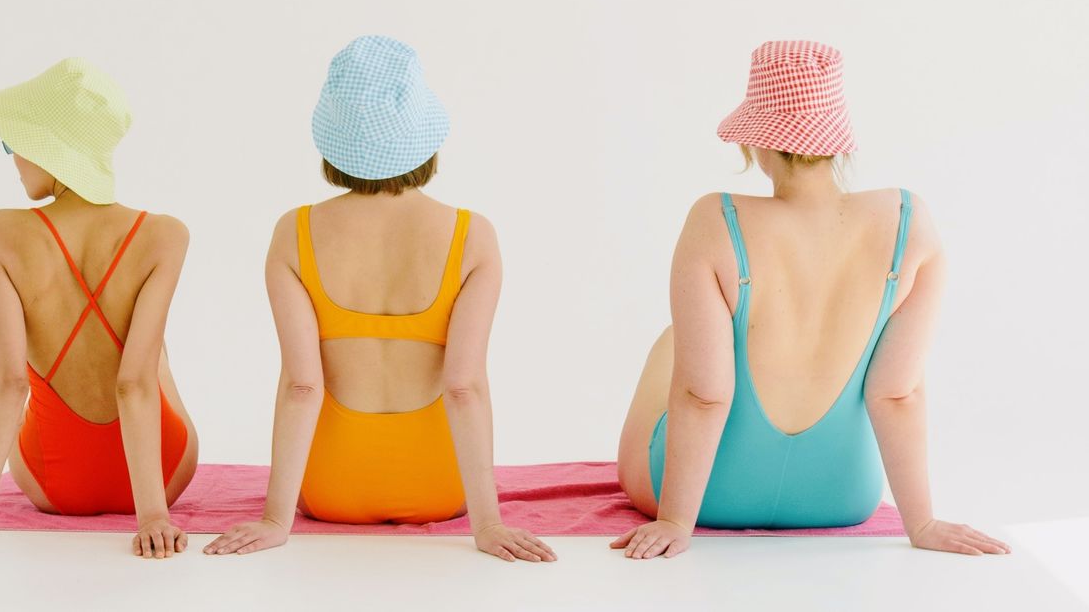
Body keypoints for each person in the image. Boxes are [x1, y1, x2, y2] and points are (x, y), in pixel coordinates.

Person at [613, 41, 1009, 559]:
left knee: (673, 342)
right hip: (841, 496)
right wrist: (923, 523)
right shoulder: (909, 222)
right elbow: (897, 393)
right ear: (837, 142)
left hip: (711, 495)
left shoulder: (715, 220)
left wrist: (675, 521)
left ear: (756, 142)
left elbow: (703, 394)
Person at [204, 36, 555, 562]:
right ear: (425, 138)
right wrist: (488, 524)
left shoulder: (294, 232)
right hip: (441, 487)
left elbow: (302, 386)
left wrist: (275, 519)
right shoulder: (472, 235)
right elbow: (463, 387)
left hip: (331, 490)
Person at [0, 58, 198, 558]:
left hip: (52, 485)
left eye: (14, 144)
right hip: (162, 474)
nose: (12, 158)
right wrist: (153, 517)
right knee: (151, 352)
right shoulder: (164, 235)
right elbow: (133, 383)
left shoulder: (0, 233)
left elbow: (9, 382)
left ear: (49, 150)